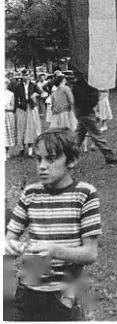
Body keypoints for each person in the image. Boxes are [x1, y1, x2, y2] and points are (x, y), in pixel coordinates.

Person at [5, 128, 101, 320]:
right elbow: (8, 242)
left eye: (51, 159)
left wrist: (54, 251)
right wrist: (16, 247)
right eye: (38, 159)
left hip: (65, 293)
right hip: (28, 290)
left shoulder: (85, 194)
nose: (42, 166)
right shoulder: (31, 194)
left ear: (71, 161)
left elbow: (90, 253)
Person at [72, 69, 117, 165]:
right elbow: (87, 100)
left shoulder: (80, 86)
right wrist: (94, 95)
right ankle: (109, 156)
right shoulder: (80, 86)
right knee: (97, 134)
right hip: (86, 113)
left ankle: (67, 157)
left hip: (83, 113)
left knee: (78, 137)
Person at [13, 69, 40, 157]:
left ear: (30, 75)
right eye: (24, 75)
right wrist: (18, 106)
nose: (25, 76)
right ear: (22, 76)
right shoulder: (18, 86)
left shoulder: (33, 85)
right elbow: (15, 98)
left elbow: (41, 93)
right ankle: (22, 148)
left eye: (27, 74)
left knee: (32, 128)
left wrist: (35, 95)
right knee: (22, 128)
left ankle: (31, 150)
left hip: (31, 108)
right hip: (22, 109)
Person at [5, 77, 16, 159]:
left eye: (5, 83)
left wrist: (5, 108)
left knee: (7, 133)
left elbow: (12, 107)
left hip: (8, 115)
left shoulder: (10, 94)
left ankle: (7, 151)